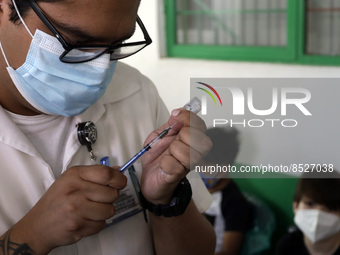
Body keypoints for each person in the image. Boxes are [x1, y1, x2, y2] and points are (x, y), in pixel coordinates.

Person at [0, 0, 216, 254]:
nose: (99, 69)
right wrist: (33, 235)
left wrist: (165, 200)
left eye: (116, 46)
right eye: (76, 42)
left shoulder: (135, 91)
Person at [199, 127, 254, 255]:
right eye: (198, 164)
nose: (200, 170)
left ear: (225, 166)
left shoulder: (235, 203)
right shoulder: (195, 187)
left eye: (206, 165)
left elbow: (228, 251)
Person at [275, 170, 340, 255]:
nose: (318, 214)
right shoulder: (287, 246)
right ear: (296, 207)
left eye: (330, 208)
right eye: (310, 204)